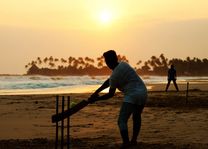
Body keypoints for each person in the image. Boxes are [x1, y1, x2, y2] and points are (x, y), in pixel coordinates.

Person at [88, 50, 147, 148]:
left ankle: (126, 143)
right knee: (136, 117)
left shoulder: (115, 75)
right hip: (143, 92)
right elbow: (109, 81)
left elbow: (111, 94)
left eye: (106, 61)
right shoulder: (124, 64)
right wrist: (96, 92)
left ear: (107, 62)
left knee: (122, 121)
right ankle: (133, 141)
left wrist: (96, 99)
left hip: (132, 95)